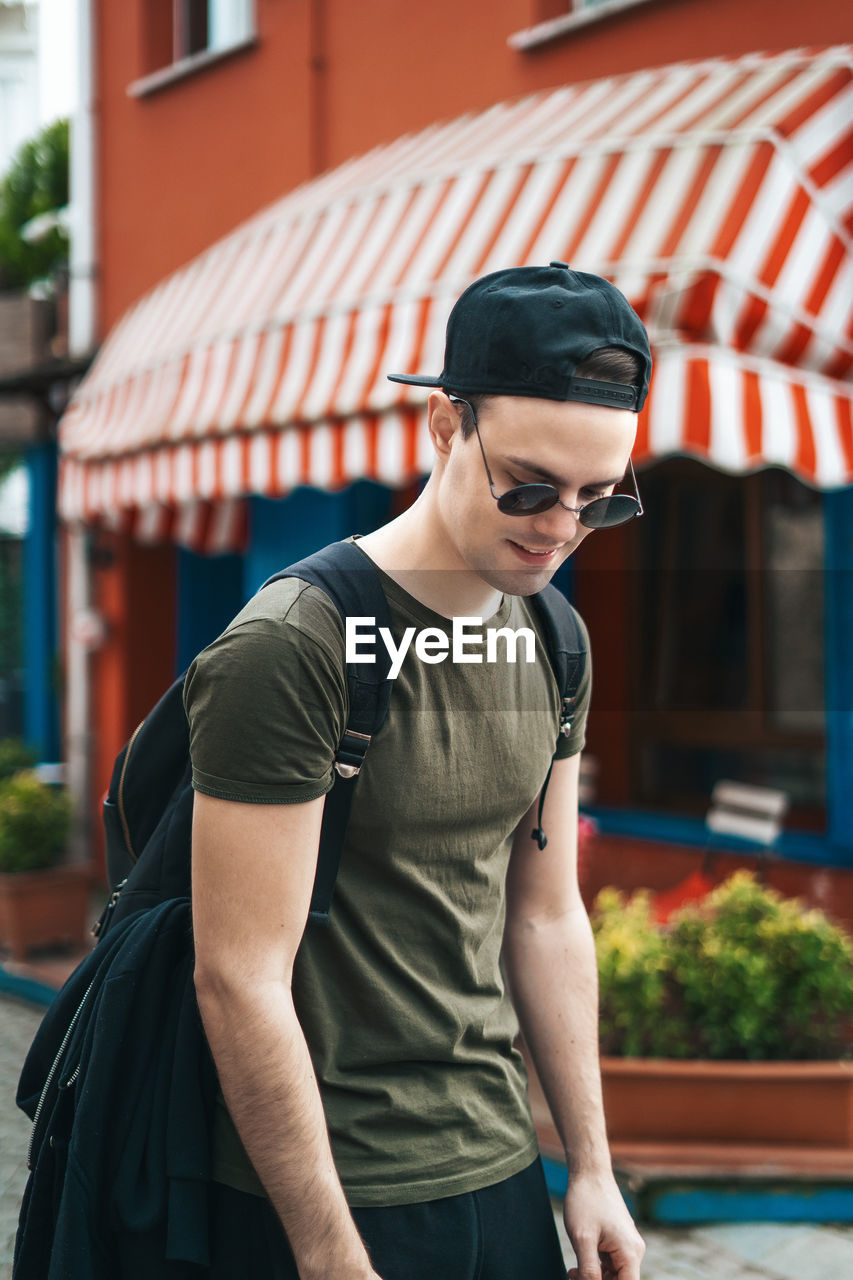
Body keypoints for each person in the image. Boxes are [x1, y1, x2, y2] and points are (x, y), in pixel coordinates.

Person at [184, 262, 651, 1280]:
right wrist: (325, 1247)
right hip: (322, 1190)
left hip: (498, 1170)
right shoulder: (295, 645)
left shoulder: (553, 636)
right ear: (445, 426)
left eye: (597, 500)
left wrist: (593, 1165)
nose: (560, 526)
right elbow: (237, 973)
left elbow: (545, 911)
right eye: (528, 486)